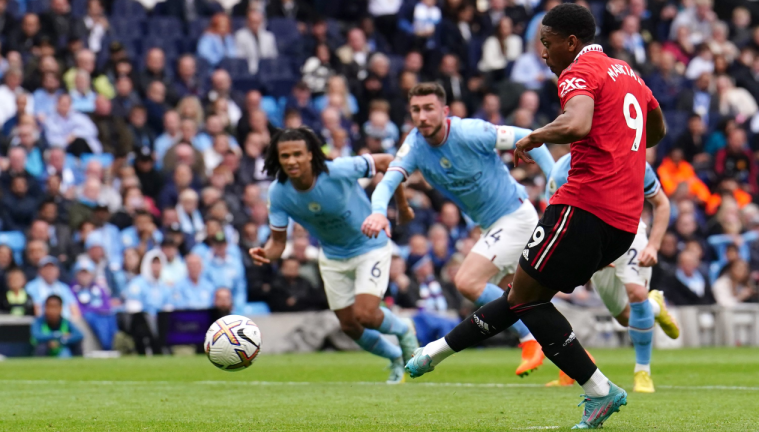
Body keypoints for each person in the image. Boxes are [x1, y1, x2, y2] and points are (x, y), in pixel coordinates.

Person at [403, 5, 666, 428]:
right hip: (624, 222)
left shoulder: (578, 72)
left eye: (547, 43)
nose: (543, 52)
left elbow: (577, 123)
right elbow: (656, 131)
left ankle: (600, 390)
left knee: (524, 297)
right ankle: (434, 353)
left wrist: (536, 136)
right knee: (523, 297)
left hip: (583, 205)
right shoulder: (627, 71)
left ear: (571, 42)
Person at [364, 82, 552, 377]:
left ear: (445, 111)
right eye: (416, 110)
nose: (422, 116)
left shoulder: (470, 131)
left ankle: (529, 340)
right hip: (491, 226)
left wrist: (554, 194)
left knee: (467, 281)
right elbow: (387, 182)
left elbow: (532, 139)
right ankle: (569, 360)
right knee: (519, 300)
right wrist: (377, 213)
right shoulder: (413, 146)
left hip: (516, 215)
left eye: (429, 108)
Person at [249, 127, 418, 384]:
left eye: (297, 154)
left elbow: (387, 161)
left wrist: (401, 205)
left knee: (366, 314)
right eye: (285, 156)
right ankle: (395, 357)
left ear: (311, 155)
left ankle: (404, 330)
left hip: (370, 246)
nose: (291, 161)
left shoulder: (338, 169)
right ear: (277, 158)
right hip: (332, 257)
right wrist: (265, 254)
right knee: (350, 326)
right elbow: (278, 244)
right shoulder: (278, 192)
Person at [544, 153, 680, 392]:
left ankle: (642, 372)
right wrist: (584, 255)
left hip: (629, 231)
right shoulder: (561, 171)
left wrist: (653, 245)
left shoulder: (634, 160)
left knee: (637, 294)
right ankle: (655, 306)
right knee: (626, 317)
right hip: (594, 242)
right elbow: (556, 218)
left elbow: (662, 203)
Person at [69, 258, 116, 350]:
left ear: (92, 274)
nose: (84, 276)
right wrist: (94, 311)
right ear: (76, 274)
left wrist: (94, 311)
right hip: (87, 319)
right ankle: (106, 346)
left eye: (86, 273)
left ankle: (111, 345)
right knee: (90, 316)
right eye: (81, 273)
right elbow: (78, 309)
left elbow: (107, 307)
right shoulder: (72, 289)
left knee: (110, 318)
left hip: (103, 318)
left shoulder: (100, 289)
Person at [25, 256, 81, 320]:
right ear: (40, 271)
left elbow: (73, 307)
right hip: (44, 323)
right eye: (46, 268)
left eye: (52, 268)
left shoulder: (64, 287)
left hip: (66, 323)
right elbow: (36, 309)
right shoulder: (31, 287)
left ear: (58, 271)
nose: (49, 271)